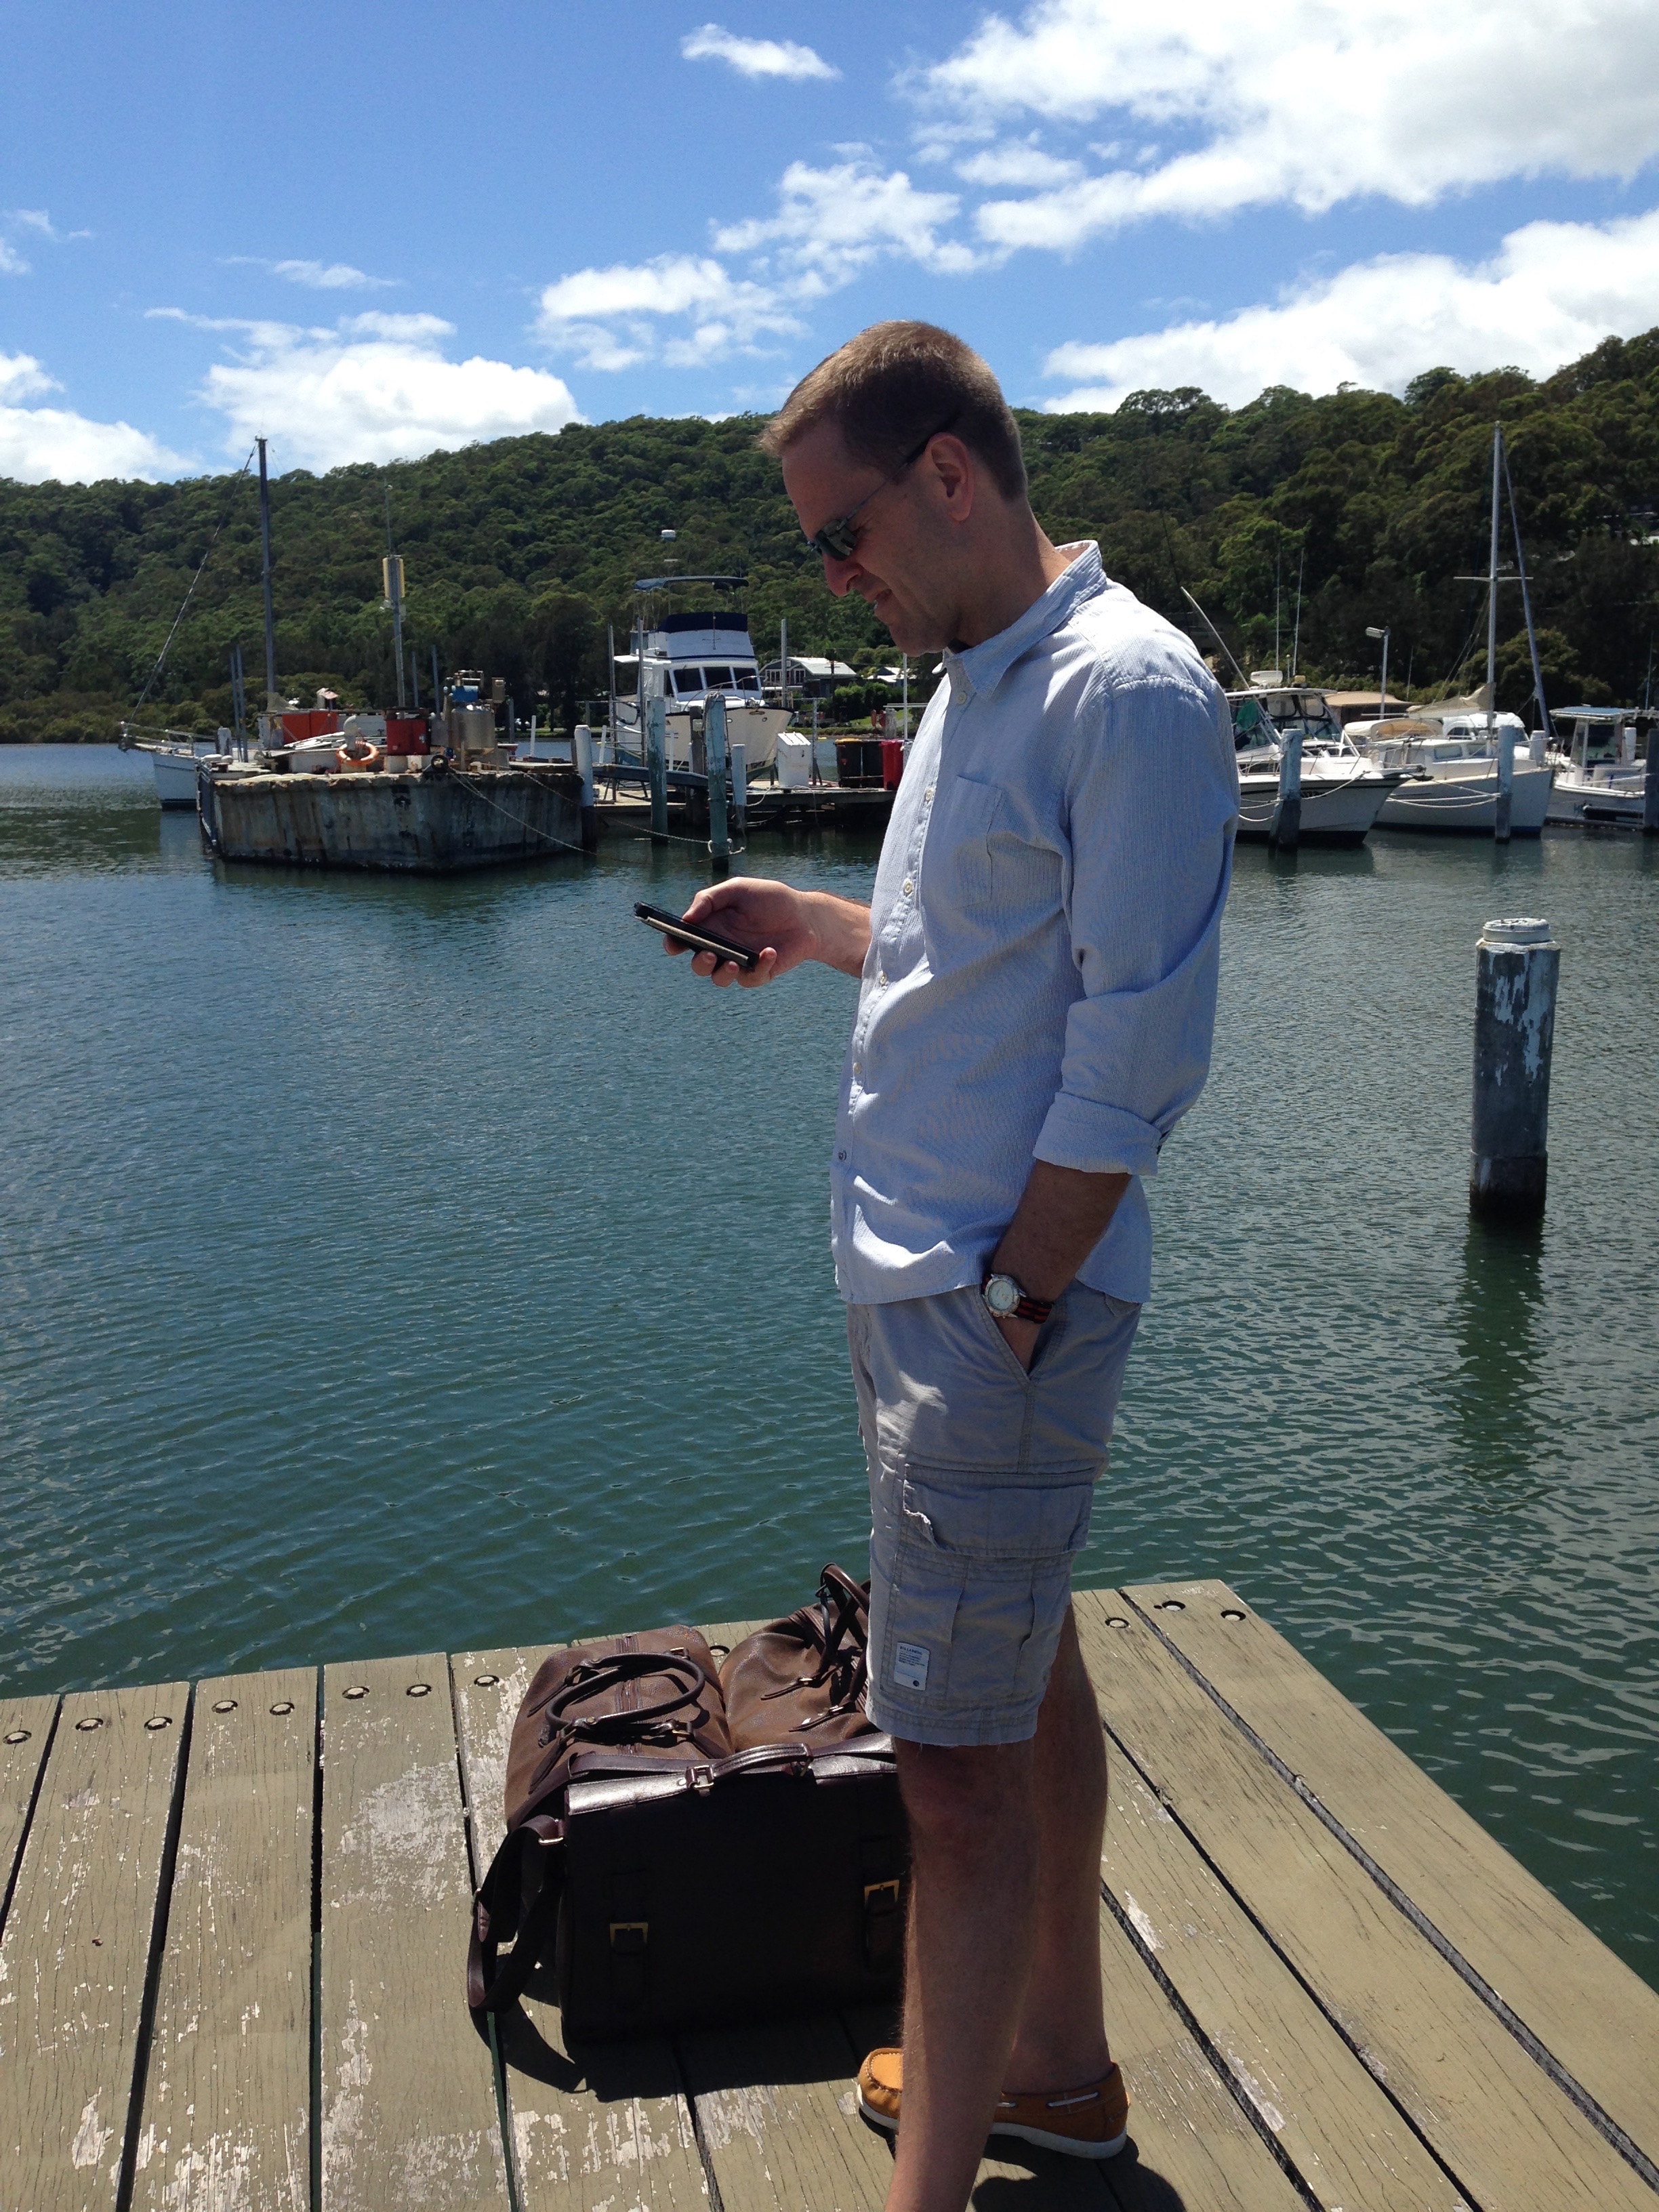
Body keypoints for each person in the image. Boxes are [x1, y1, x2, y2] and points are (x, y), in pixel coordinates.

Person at [664, 321, 1237, 2212]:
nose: (839, 577)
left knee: (955, 1776)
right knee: (1020, 1681)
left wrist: (1015, 1300)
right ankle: (1054, 2074)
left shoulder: (1122, 691)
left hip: (990, 1303)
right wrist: (812, 925)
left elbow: (1138, 1053)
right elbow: (972, 957)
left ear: (948, 475)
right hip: (936, 1290)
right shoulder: (979, 682)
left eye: (842, 536)